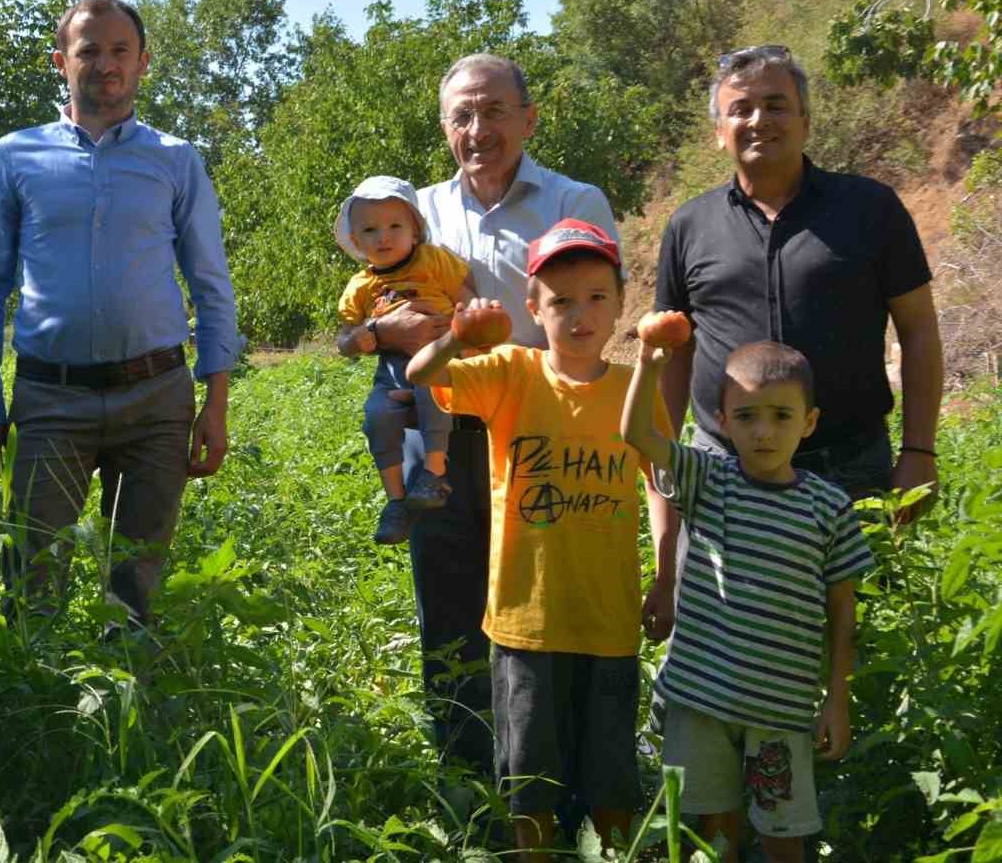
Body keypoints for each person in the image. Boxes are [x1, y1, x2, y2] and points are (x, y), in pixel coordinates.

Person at [367, 54, 665, 776]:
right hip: (439, 426)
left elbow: (594, 306)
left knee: (542, 600)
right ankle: (465, 769)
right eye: (462, 116)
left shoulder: (574, 203)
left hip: (541, 432)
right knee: (446, 596)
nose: (479, 129)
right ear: (444, 128)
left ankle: (549, 769)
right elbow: (368, 316)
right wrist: (383, 331)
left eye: (495, 111)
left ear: (529, 119)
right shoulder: (420, 213)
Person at [0, 0, 239, 630]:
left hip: (157, 402)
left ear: (143, 62)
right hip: (50, 400)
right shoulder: (16, 155)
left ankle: (129, 715)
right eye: (89, 50)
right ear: (61, 61)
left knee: (134, 585)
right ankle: (38, 718)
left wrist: (215, 401)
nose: (105, 63)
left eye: (120, 51)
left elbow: (211, 284)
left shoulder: (175, 159)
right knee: (30, 580)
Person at [408, 219, 672, 858]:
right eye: (560, 300)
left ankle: (610, 852)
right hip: (526, 623)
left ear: (619, 304)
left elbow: (659, 481)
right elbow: (420, 375)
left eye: (597, 297)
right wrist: (457, 336)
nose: (579, 314)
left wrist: (666, 578)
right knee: (529, 779)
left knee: (611, 773)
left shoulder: (634, 389)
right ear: (534, 308)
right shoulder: (511, 373)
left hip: (609, 621)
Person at [656, 45, 942, 524]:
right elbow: (674, 351)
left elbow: (918, 331)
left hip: (849, 470)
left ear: (805, 121)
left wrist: (919, 450)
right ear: (718, 134)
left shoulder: (871, 208)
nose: (758, 119)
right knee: (719, 602)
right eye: (740, 109)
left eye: (775, 105)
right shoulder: (689, 224)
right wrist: (666, 456)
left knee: (859, 600)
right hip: (722, 471)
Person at [622, 338, 874, 863]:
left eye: (782, 415)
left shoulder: (829, 508)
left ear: (809, 422)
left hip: (780, 708)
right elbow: (637, 434)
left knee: (785, 835)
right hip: (702, 700)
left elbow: (843, 614)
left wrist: (837, 699)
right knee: (714, 834)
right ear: (723, 421)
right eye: (747, 416)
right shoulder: (708, 480)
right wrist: (647, 365)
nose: (763, 432)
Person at [334, 175, 475, 545]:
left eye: (395, 225)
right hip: (392, 369)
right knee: (377, 416)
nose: (384, 237)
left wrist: (464, 332)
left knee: (432, 392)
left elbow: (467, 299)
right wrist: (363, 334)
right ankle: (395, 499)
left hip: (437, 354)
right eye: (370, 229)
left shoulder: (434, 260)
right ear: (356, 242)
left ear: (415, 231)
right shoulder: (360, 287)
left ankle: (434, 471)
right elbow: (344, 339)